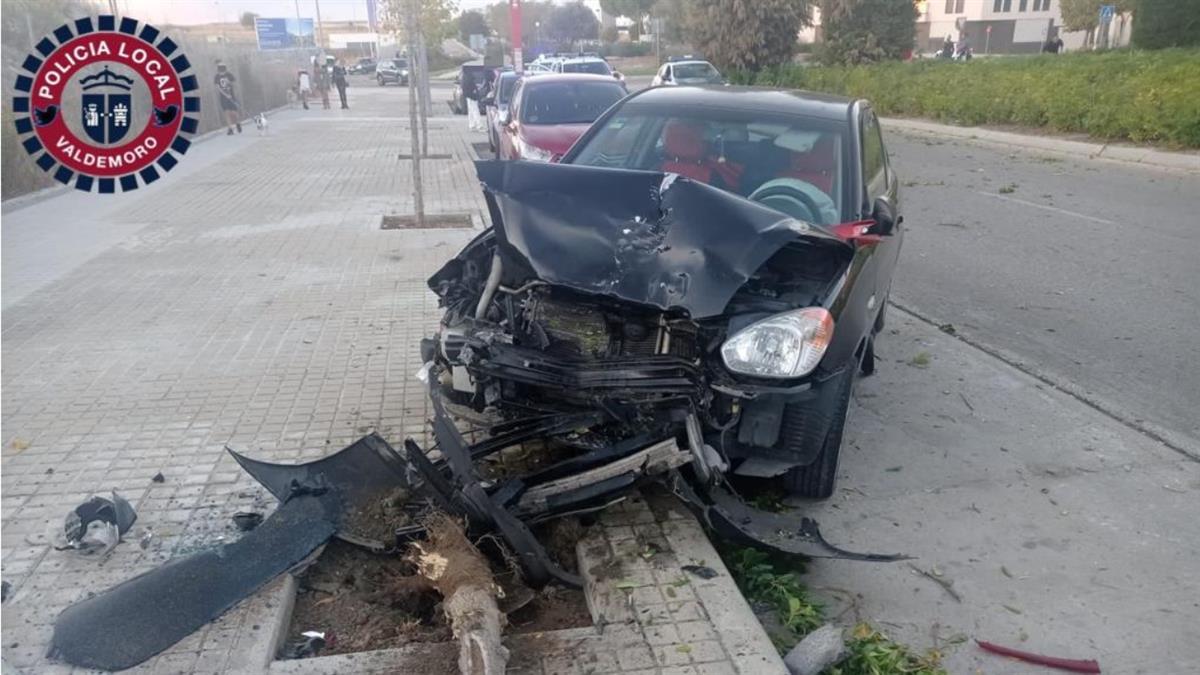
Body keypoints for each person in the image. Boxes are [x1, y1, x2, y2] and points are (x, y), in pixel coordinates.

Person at [214, 61, 241, 134]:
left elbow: (234, 83)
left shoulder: (229, 74)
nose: (221, 71)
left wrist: (229, 84)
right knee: (226, 112)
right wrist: (225, 95)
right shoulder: (217, 76)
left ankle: (238, 123)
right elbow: (218, 87)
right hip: (223, 97)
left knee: (234, 112)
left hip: (231, 95)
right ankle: (230, 128)